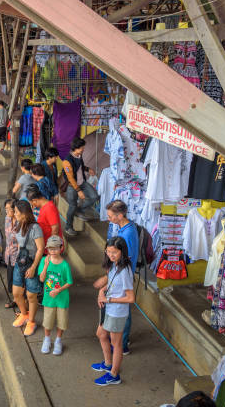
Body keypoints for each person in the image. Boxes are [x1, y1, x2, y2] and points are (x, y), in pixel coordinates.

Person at [92, 236, 135, 386]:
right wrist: (101, 292)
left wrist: (109, 299)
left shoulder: (125, 271)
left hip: (117, 311)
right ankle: (108, 363)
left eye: (114, 252)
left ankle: (114, 375)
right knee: (101, 334)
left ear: (122, 252)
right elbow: (110, 283)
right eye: (108, 251)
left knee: (116, 344)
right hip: (108, 308)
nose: (111, 255)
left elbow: (130, 298)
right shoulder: (113, 265)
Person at [103, 199, 139, 355]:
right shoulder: (123, 228)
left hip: (123, 275)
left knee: (124, 311)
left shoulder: (128, 233)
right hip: (118, 274)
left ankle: (121, 344)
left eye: (111, 216)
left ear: (120, 214)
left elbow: (126, 257)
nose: (109, 219)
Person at [12, 201, 45, 337]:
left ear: (24, 214)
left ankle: (31, 321)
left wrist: (33, 267)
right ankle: (24, 314)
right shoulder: (19, 224)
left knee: (31, 295)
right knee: (16, 293)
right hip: (20, 262)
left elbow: (40, 249)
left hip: (32, 264)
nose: (14, 214)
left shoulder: (35, 228)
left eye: (16, 212)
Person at [38, 235, 73, 355]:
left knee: (62, 322)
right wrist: (46, 266)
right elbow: (42, 279)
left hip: (62, 299)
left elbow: (69, 282)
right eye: (50, 249)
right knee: (47, 321)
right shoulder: (44, 261)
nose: (52, 251)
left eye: (55, 248)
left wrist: (59, 290)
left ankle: (58, 340)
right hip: (49, 299)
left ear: (61, 248)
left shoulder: (65, 265)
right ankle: (47, 339)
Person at [62, 138, 98, 236]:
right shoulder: (67, 161)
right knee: (72, 206)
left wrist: (88, 169)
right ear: (76, 148)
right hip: (72, 186)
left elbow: (80, 166)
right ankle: (68, 227)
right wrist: (78, 190)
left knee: (94, 196)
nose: (83, 149)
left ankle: (80, 210)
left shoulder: (79, 155)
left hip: (82, 182)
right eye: (82, 148)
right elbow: (70, 178)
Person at [4, 199, 19, 308]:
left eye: (9, 209)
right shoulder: (7, 219)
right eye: (6, 209)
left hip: (18, 256)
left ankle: (17, 301)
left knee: (17, 280)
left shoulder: (21, 222)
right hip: (9, 254)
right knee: (10, 279)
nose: (7, 211)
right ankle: (16, 299)